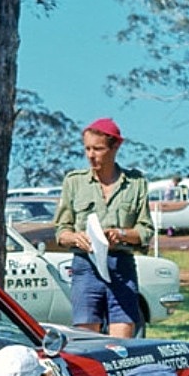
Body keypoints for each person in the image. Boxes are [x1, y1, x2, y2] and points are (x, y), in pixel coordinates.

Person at [55, 118, 154, 338]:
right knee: (86, 340)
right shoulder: (74, 182)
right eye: (87, 149)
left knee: (122, 344)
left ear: (115, 147)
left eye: (98, 149)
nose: (91, 155)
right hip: (86, 266)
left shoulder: (136, 183)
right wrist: (75, 238)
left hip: (121, 266)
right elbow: (61, 231)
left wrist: (121, 235)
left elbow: (146, 230)